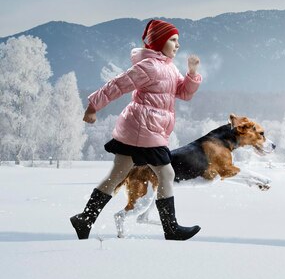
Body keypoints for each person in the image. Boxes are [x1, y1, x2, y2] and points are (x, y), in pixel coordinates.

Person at [70, 19, 203, 241]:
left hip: (142, 129)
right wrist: (93, 106)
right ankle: (171, 229)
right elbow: (118, 84)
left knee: (117, 174)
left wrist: (191, 74)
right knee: (166, 173)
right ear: (159, 42)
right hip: (145, 128)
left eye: (178, 40)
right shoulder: (148, 66)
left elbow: (183, 93)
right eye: (172, 40)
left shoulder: (168, 67)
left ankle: (85, 219)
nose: (177, 45)